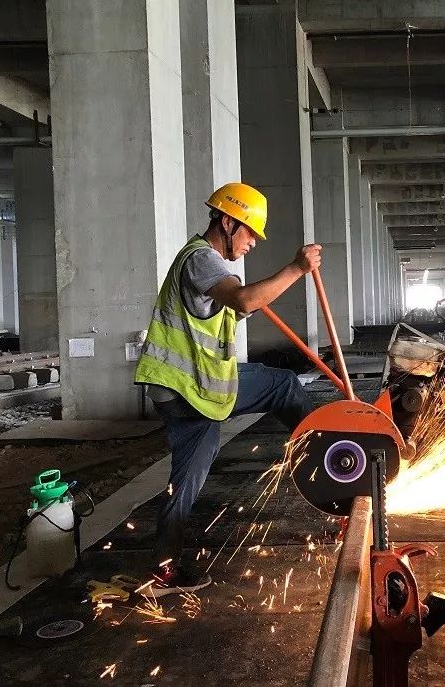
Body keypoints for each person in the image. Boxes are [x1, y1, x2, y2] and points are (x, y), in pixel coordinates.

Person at [134, 182, 321, 596]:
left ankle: (162, 569)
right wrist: (295, 269)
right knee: (284, 385)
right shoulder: (202, 259)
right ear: (227, 221)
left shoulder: (205, 266)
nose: (252, 243)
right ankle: (331, 457)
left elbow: (226, 311)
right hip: (192, 387)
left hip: (179, 392)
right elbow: (243, 301)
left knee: (186, 481)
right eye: (250, 232)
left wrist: (245, 301)